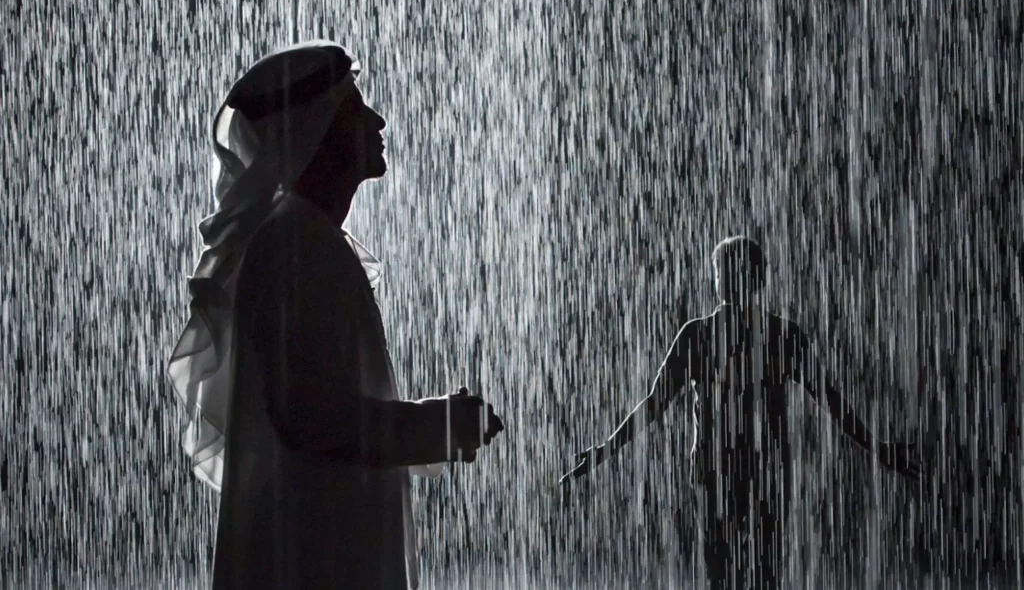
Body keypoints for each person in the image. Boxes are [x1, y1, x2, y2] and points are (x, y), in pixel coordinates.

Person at [167, 41, 504, 590]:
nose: (378, 119)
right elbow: (309, 418)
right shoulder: (293, 245)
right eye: (355, 109)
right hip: (314, 560)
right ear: (315, 132)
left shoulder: (308, 239)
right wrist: (435, 426)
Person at [560, 236, 921, 589]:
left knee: (727, 570)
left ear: (753, 279)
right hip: (757, 467)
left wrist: (605, 450)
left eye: (729, 271)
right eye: (722, 271)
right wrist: (877, 448)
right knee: (761, 570)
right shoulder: (777, 334)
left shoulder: (708, 334)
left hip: (723, 468)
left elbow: (655, 404)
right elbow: (831, 401)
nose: (725, 278)